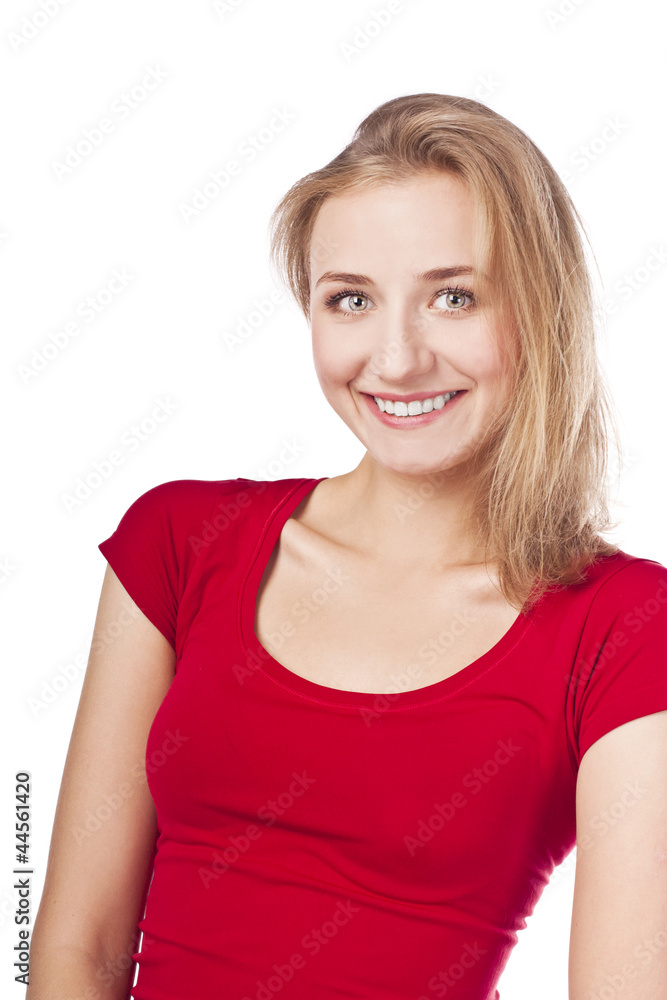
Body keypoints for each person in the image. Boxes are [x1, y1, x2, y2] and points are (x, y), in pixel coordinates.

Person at [27, 93, 667, 1000]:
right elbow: (74, 951)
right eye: (350, 300)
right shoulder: (179, 544)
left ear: (539, 310)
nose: (396, 358)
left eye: (454, 296)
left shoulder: (624, 626)